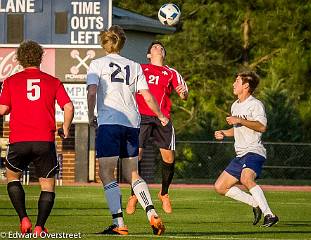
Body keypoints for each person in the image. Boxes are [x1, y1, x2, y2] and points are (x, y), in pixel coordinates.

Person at [87, 25, 168, 236]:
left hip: (110, 121)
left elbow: (92, 91)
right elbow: (147, 96)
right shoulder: (134, 66)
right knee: (133, 173)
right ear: (122, 44)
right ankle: (151, 212)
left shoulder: (97, 64)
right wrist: (160, 115)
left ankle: (119, 223)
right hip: (132, 122)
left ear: (104, 43)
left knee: (106, 172)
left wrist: (89, 114)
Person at [0, 40, 74, 234]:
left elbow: (3, 109)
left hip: (19, 140)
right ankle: (40, 226)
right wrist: (65, 127)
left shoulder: (10, 81)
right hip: (44, 140)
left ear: (20, 60)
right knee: (47, 186)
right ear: (40, 58)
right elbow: (68, 106)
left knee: (12, 178)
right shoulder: (53, 81)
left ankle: (24, 218)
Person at [126, 41, 188, 215]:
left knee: (168, 158)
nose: (158, 48)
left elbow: (183, 94)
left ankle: (164, 193)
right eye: (154, 47)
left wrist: (183, 93)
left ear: (164, 54)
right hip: (141, 117)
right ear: (148, 55)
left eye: (161, 47)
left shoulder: (171, 72)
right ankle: (134, 195)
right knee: (136, 155)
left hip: (162, 118)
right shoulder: (140, 68)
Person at [213, 71, 279, 227]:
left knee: (246, 179)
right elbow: (237, 130)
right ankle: (254, 203)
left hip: (254, 151)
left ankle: (270, 215)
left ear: (246, 86)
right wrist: (224, 132)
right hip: (240, 154)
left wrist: (240, 120)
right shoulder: (235, 105)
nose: (233, 84)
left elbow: (262, 126)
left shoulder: (255, 104)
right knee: (220, 187)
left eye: (237, 81)